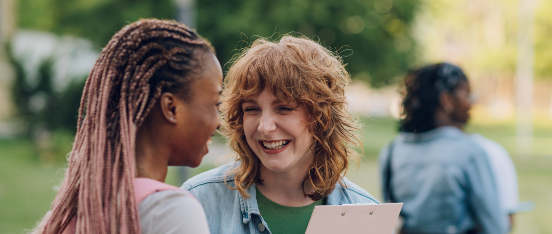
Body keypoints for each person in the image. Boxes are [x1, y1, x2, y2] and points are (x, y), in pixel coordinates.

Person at [32, 19, 221, 234]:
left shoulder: (72, 212)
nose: (218, 122)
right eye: (215, 103)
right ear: (171, 108)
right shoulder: (170, 211)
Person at [181, 36, 379, 234]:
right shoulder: (197, 201)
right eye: (252, 109)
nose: (264, 127)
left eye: (284, 108)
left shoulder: (368, 216)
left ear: (323, 116)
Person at [379, 63, 507, 234]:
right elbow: (494, 226)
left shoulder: (392, 151)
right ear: (446, 100)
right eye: (468, 95)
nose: (472, 103)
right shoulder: (470, 152)